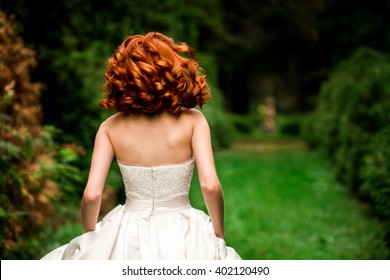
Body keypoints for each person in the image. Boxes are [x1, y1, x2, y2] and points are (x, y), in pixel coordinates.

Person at [41, 32, 241, 260]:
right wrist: (219, 233)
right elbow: (210, 186)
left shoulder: (110, 127)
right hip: (184, 234)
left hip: (128, 232)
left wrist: (90, 238)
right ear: (170, 69)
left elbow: (92, 195)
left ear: (123, 75)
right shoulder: (194, 121)